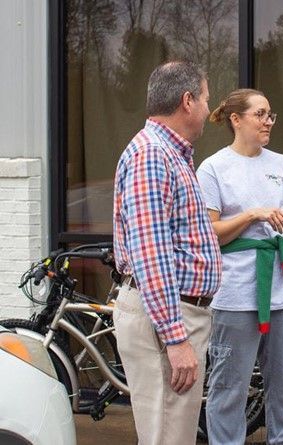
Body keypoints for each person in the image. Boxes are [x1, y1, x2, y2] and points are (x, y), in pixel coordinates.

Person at [196, 88, 283, 444]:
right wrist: (252, 214)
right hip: (237, 293)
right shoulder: (213, 168)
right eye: (261, 114)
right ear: (236, 120)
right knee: (229, 388)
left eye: (271, 115)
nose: (269, 121)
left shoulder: (282, 165)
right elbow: (210, 233)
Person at [112, 61, 222, 444]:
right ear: (187, 101)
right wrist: (176, 339)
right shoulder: (153, 156)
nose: (210, 110)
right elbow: (151, 253)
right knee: (166, 436)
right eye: (206, 99)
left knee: (172, 434)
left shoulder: (170, 154)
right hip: (166, 318)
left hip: (171, 314)